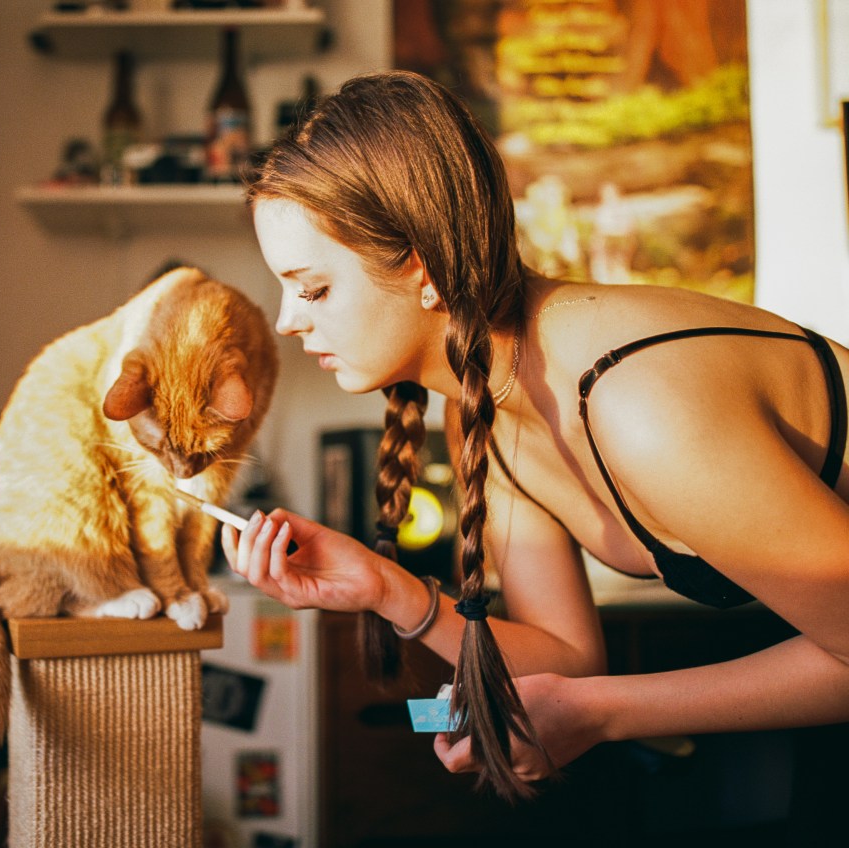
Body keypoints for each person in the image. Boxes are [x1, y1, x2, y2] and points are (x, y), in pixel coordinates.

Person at [223, 70, 849, 802]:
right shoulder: (481, 406)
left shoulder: (636, 403)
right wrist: (384, 588)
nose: (286, 320)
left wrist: (604, 715)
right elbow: (569, 658)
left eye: (314, 288)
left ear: (422, 265)